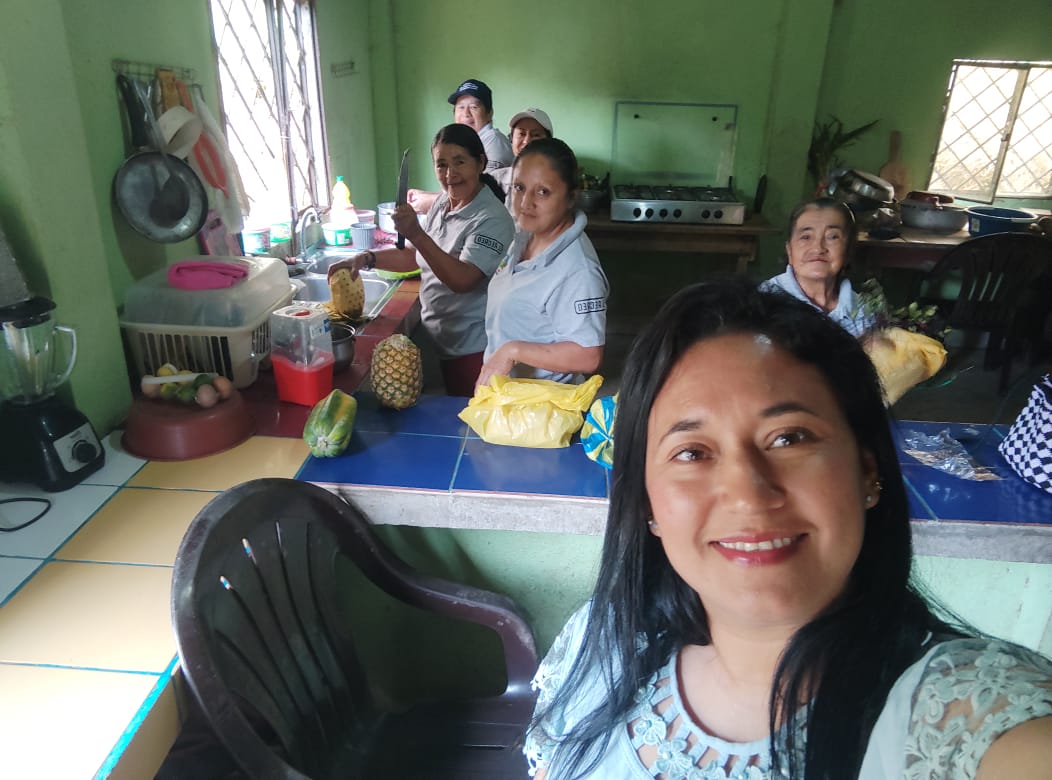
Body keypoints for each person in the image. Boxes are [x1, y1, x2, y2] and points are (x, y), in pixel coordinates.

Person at [523, 280, 1052, 779]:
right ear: (648, 504)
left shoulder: (961, 714)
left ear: (867, 470)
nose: (748, 494)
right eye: (692, 452)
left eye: (789, 438)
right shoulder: (603, 646)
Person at [328, 124, 514, 397]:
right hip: (438, 337)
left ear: (481, 163)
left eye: (460, 162)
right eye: (441, 165)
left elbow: (463, 280)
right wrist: (366, 258)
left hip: (473, 347)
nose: (450, 174)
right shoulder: (443, 203)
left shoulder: (492, 217)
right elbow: (414, 256)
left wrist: (415, 232)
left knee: (468, 418)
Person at [478, 137, 607, 388]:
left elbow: (588, 355)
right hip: (508, 393)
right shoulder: (525, 235)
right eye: (519, 187)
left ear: (571, 197)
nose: (525, 203)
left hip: (542, 404)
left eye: (543, 192)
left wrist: (512, 351)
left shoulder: (578, 270)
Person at [761, 197, 876, 337]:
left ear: (848, 251)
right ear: (789, 250)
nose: (818, 248)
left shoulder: (863, 311)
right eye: (806, 237)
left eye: (833, 237)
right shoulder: (765, 301)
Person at [408, 79, 513, 214]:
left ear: (489, 113)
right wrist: (425, 196)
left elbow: (478, 195)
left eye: (474, 107)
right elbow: (457, 184)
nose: (466, 113)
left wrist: (431, 201)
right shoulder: (466, 142)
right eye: (461, 107)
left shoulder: (494, 142)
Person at [491, 108, 555, 195]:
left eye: (536, 135)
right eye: (521, 134)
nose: (526, 141)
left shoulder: (556, 183)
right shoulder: (495, 180)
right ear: (511, 139)